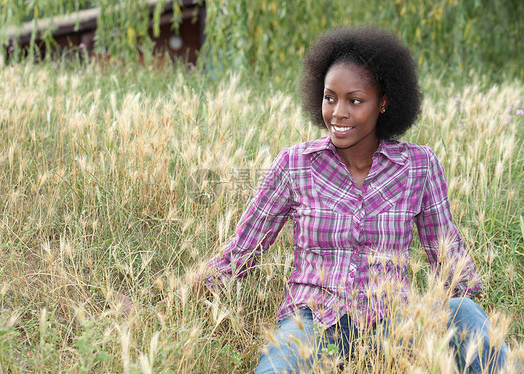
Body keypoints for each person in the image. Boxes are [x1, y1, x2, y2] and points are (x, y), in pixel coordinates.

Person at [198, 26, 521, 373]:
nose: (338, 112)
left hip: (394, 322)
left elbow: (447, 253)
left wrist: (467, 308)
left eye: (355, 100)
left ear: (383, 103)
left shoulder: (419, 166)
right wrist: (192, 289)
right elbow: (245, 247)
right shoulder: (294, 164)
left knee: (464, 312)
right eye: (329, 97)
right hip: (312, 320)